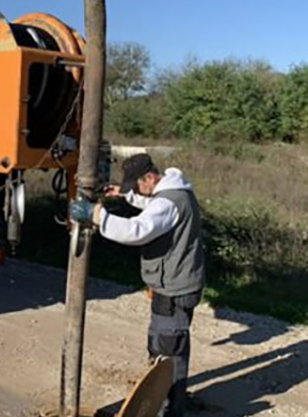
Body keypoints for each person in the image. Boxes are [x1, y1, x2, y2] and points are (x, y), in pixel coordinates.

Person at [92, 153, 205, 417]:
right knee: (174, 344)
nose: (136, 191)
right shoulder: (177, 190)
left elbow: (138, 229)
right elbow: (154, 205)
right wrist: (126, 195)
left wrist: (99, 217)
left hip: (174, 289)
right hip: (180, 284)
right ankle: (174, 402)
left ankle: (167, 410)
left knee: (166, 351)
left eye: (136, 186)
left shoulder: (167, 202)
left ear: (150, 177)